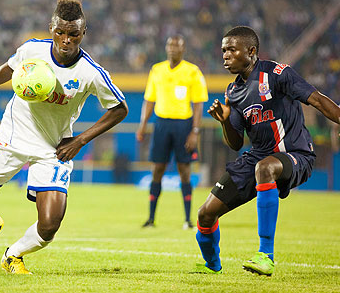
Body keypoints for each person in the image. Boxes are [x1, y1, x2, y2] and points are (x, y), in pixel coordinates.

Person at [0, 0, 128, 274]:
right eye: (60, 32)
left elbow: (120, 108)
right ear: (51, 27)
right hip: (13, 137)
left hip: (54, 148)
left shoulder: (91, 73)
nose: (66, 40)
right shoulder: (32, 49)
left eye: (74, 34)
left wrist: (80, 140)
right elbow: (10, 68)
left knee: (49, 225)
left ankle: (13, 255)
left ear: (84, 33)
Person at [194, 26, 340, 276]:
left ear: (251, 51)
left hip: (296, 153)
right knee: (206, 214)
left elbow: (316, 99)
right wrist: (225, 120)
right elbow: (235, 143)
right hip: (257, 156)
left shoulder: (278, 73)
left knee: (265, 168)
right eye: (223, 51)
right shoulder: (233, 92)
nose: (225, 56)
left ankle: (266, 255)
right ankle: (212, 264)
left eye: (231, 49)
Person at [136, 35, 208, 229]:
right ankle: (151, 219)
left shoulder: (192, 72)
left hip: (183, 125)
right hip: (161, 124)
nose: (172, 48)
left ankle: (187, 219)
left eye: (177, 45)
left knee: (184, 171)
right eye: (169, 45)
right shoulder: (157, 70)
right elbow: (149, 100)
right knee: (157, 169)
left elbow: (199, 104)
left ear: (183, 49)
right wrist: (143, 124)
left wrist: (194, 131)